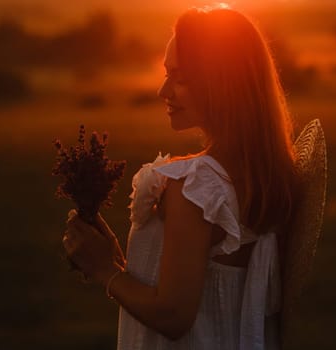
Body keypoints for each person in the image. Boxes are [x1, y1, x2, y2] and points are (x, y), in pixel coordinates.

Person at [62, 5, 303, 349]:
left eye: (182, 77)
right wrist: (119, 261)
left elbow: (174, 315)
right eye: (166, 73)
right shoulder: (263, 174)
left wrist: (105, 272)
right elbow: (207, 289)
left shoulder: (195, 184)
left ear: (222, 82)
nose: (164, 90)